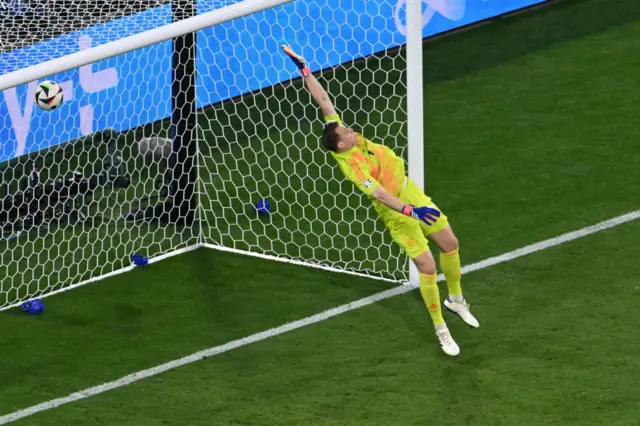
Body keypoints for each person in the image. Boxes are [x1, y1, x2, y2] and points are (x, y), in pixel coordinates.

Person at [282, 45, 479, 356]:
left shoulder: (348, 137)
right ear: (341, 144)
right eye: (346, 131)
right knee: (427, 267)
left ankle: (456, 300)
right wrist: (410, 211)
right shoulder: (352, 166)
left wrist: (304, 69)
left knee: (450, 243)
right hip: (398, 213)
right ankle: (441, 329)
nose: (351, 129)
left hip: (410, 192)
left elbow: (322, 100)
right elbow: (378, 194)